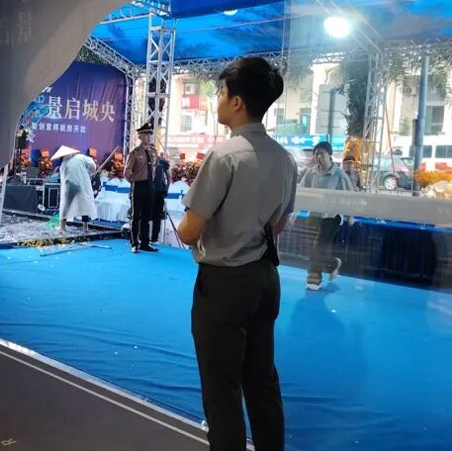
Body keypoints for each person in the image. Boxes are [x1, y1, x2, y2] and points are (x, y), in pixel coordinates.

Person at [177, 57, 296, 451]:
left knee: (222, 388)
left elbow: (189, 230)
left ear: (238, 102)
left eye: (221, 93)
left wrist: (192, 229)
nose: (218, 101)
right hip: (265, 278)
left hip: (225, 284)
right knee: (262, 381)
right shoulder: (285, 159)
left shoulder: (225, 155)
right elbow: (279, 225)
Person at [300, 142, 355, 291]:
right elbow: (302, 192)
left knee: (319, 246)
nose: (318, 157)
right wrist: (295, 212)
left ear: (329, 155)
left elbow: (351, 195)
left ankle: (314, 280)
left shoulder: (339, 174)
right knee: (312, 248)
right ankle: (333, 264)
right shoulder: (311, 173)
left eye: (322, 154)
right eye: (316, 154)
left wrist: (351, 215)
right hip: (314, 214)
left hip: (332, 216)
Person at [124, 123, 158, 253]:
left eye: (150, 134)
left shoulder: (153, 151)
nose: (149, 137)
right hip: (138, 185)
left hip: (150, 185)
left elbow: (155, 167)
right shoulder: (135, 152)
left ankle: (145, 243)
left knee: (146, 216)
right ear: (140, 136)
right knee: (136, 215)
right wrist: (133, 181)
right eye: (146, 134)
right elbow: (127, 171)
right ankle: (134, 243)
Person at [51, 145, 97, 232]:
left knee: (65, 205)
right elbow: (92, 164)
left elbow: (63, 180)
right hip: (83, 185)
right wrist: (88, 174)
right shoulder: (81, 157)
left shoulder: (64, 164)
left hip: (69, 187)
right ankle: (85, 227)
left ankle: (62, 227)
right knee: (84, 206)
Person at [151, 151, 172, 244]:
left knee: (157, 215)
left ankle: (154, 238)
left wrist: (166, 188)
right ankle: (145, 238)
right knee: (146, 214)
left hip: (159, 191)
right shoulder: (144, 159)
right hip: (148, 190)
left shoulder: (162, 162)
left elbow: (169, 177)